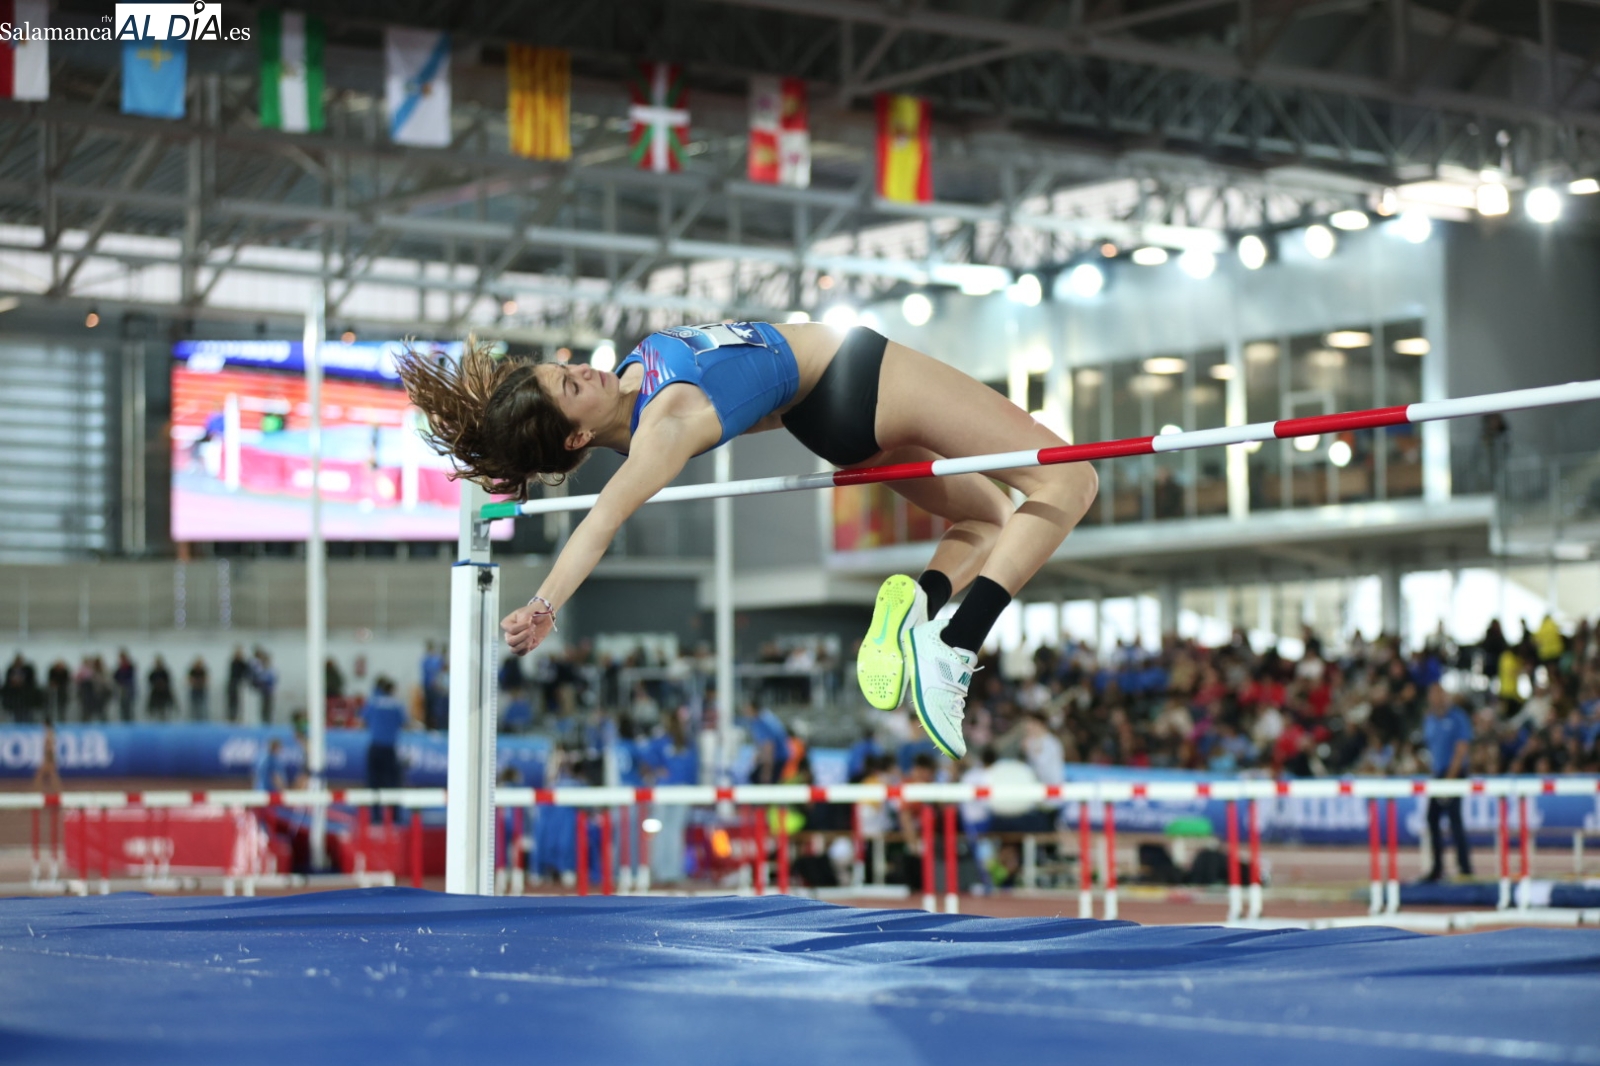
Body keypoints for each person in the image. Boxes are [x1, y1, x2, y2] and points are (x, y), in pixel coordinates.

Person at [397, 322, 1096, 761]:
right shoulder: (662, 425)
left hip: (825, 420)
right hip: (857, 374)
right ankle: (955, 644)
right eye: (570, 389)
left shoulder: (640, 378)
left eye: (566, 368)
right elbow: (601, 522)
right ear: (578, 437)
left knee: (986, 522)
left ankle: (915, 605)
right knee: (1070, 482)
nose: (583, 371)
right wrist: (545, 605)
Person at [1422, 682, 1473, 882]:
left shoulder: (1458, 717)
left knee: (1455, 820)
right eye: (1433, 694)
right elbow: (1431, 749)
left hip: (1455, 774)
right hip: (1438, 775)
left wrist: (1450, 779)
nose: (1437, 698)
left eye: (1440, 694)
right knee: (1432, 818)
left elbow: (1462, 748)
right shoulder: (1429, 719)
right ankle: (1437, 868)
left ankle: (1465, 868)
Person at [359, 676, 408, 817]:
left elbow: (363, 720)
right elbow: (404, 722)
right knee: (393, 783)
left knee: (374, 784)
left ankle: (376, 817)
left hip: (375, 747)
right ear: (392, 690)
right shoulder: (397, 705)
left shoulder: (373, 702)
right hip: (390, 749)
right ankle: (396, 816)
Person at [226, 646, 251, 722]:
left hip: (240, 684)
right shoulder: (233, 662)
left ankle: (239, 717)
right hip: (233, 683)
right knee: (232, 701)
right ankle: (231, 717)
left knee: (240, 702)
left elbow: (246, 673)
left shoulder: (243, 664)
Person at [146, 656, 174, 721]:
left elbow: (168, 681)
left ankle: (164, 719)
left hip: (164, 693)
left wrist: (162, 685)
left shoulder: (165, 672)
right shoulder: (153, 673)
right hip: (155, 693)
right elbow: (150, 681)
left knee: (164, 708)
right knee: (153, 707)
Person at [186, 657, 209, 722]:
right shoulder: (192, 671)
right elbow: (190, 679)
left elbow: (205, 679)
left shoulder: (203, 671)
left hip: (201, 690)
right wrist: (195, 683)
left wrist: (200, 682)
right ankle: (193, 719)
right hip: (194, 690)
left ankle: (202, 719)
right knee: (194, 705)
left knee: (202, 706)